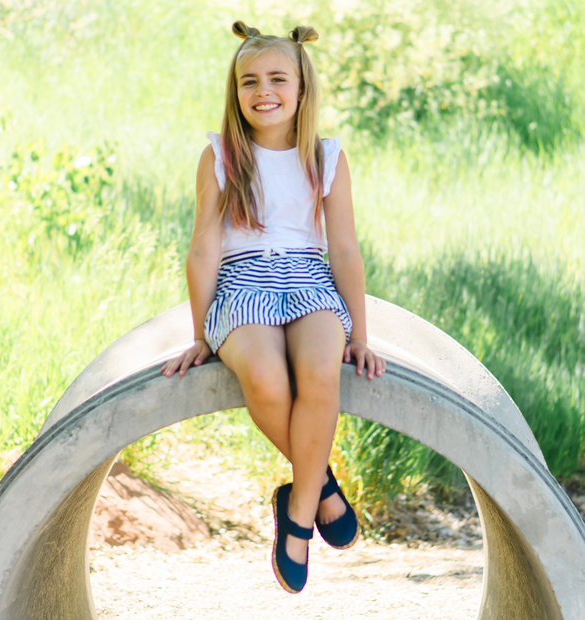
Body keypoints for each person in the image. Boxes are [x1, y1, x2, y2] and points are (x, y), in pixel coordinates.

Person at [162, 20, 386, 594]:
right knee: (264, 374)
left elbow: (343, 249)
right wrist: (201, 333)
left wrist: (359, 332)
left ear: (302, 88)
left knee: (318, 368)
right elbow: (204, 249)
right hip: (242, 281)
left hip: (308, 280)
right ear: (235, 92)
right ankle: (321, 488)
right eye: (249, 81)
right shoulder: (219, 156)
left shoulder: (327, 156)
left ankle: (297, 517)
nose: (264, 91)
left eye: (278, 79)